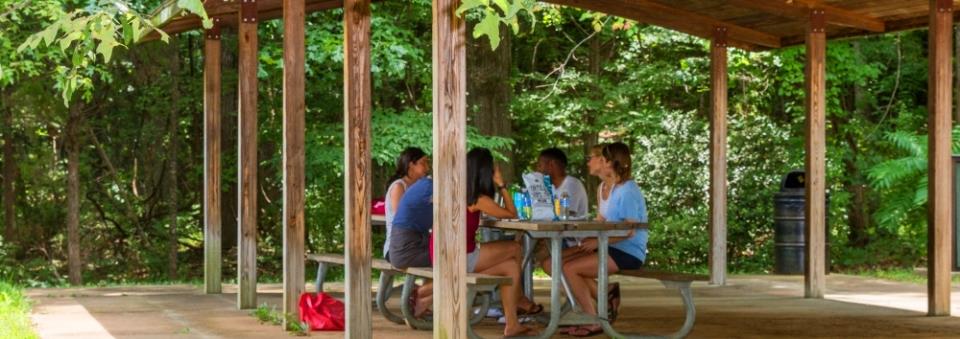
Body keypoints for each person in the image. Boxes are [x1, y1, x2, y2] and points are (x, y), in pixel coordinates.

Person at [427, 148, 542, 337]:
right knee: (514, 247)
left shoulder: (454, 190)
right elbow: (512, 214)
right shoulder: (478, 199)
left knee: (511, 267)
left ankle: (512, 324)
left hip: (442, 256)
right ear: (485, 172)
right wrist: (501, 184)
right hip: (459, 259)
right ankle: (520, 298)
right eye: (492, 170)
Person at [560, 142, 648, 337]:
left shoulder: (628, 190)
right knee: (554, 261)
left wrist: (597, 242)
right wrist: (586, 236)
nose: (591, 161)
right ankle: (603, 298)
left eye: (600, 158)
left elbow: (629, 231)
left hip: (628, 251)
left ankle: (594, 320)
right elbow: (601, 222)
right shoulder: (603, 188)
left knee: (570, 268)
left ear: (607, 162)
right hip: (607, 245)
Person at [383, 147, 429, 261]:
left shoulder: (419, 187)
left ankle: (430, 280)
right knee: (445, 257)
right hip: (398, 248)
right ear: (411, 165)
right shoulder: (398, 187)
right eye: (423, 163)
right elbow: (403, 220)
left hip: (417, 243)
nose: (427, 167)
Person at [536, 147, 588, 220]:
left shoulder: (572, 184)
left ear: (551, 164)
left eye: (540, 165)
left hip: (572, 230)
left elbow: (568, 214)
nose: (538, 170)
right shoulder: (549, 187)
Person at [586, 143, 615, 220]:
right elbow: (600, 221)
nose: (588, 163)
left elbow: (630, 226)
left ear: (602, 159)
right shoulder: (601, 188)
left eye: (589, 158)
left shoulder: (622, 186)